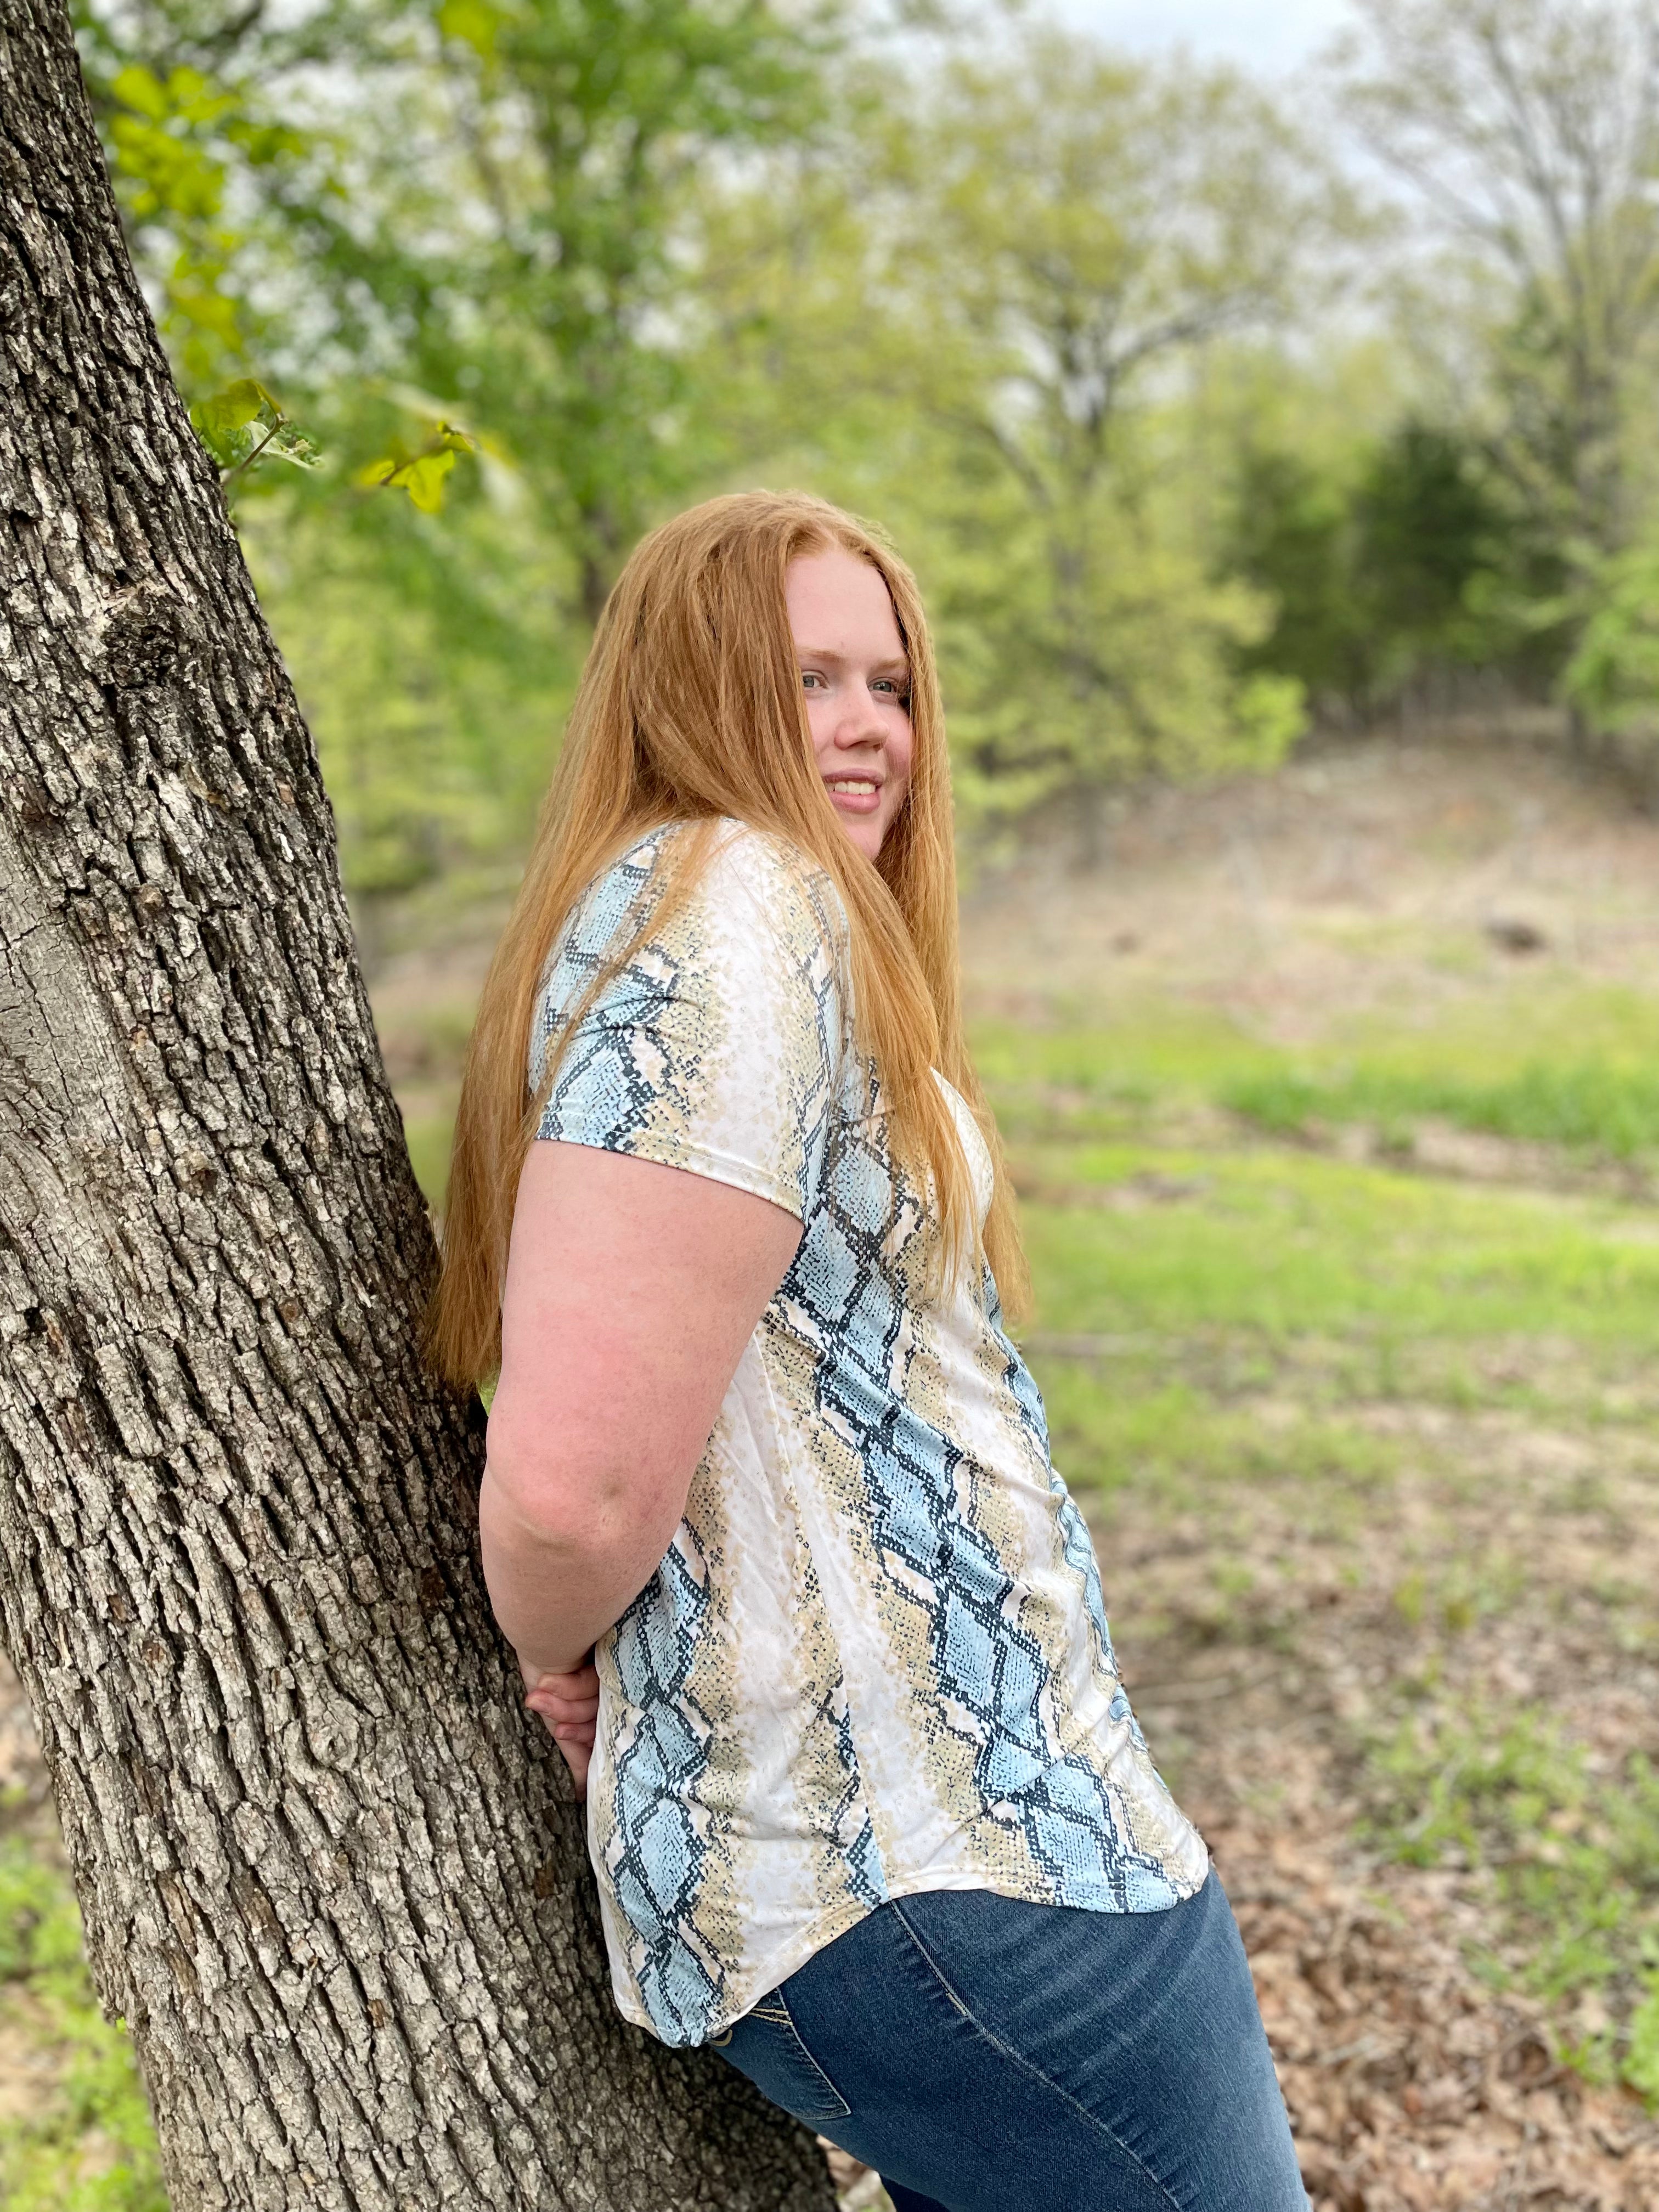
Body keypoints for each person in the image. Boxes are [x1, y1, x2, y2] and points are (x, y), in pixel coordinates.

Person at [426, 491, 1308, 2212]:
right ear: (689, 688)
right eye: (807, 677)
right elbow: (569, 1486)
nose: (865, 727)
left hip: (969, 1837)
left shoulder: (697, 917)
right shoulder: (737, 924)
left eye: (889, 684)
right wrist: (557, 1649)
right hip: (937, 1862)